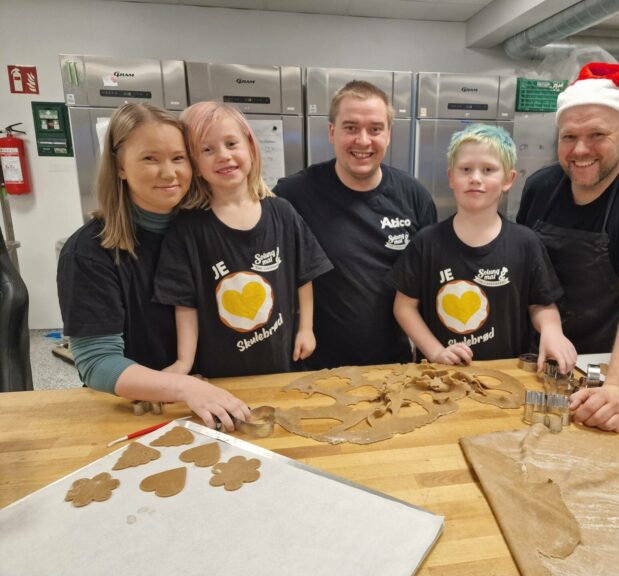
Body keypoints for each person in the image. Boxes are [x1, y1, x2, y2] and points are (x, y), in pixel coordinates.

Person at [57, 103, 249, 431]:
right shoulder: (88, 253)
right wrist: (186, 387)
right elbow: (97, 362)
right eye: (150, 158)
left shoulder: (207, 229)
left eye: (178, 158)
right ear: (119, 167)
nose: (169, 173)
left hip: (216, 401)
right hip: (138, 412)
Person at [516, 62, 619, 433]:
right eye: (568, 136)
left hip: (616, 364)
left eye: (596, 135)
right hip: (547, 357)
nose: (580, 150)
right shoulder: (542, 186)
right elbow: (527, 272)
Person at [154, 102, 332, 379]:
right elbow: (184, 304)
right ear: (195, 164)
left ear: (250, 146)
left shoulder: (282, 212)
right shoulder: (187, 229)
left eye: (231, 143)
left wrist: (306, 329)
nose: (223, 156)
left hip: (283, 366)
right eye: (207, 149)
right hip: (220, 376)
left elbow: (304, 276)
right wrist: (183, 362)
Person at [274, 80, 437, 369]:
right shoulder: (293, 195)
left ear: (388, 134)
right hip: (312, 366)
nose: (363, 140)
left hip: (391, 367)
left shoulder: (414, 197)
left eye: (375, 129)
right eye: (351, 128)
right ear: (332, 132)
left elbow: (426, 285)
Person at [390, 124, 576, 373]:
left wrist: (553, 331)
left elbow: (541, 304)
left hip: (508, 374)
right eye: (465, 169)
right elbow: (404, 307)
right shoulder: (427, 242)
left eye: (488, 170)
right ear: (451, 177)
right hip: (441, 376)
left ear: (508, 179)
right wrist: (435, 352)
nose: (475, 177)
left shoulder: (526, 243)